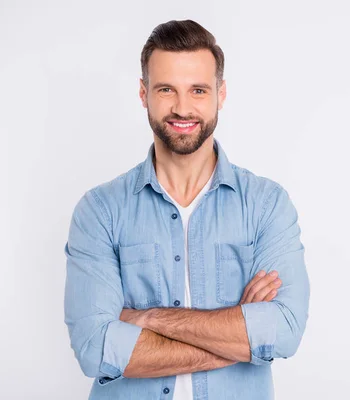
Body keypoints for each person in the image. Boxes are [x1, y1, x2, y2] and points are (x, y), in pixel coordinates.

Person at [63, 19, 310, 400]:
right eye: (166, 89)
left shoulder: (266, 204)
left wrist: (146, 319)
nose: (182, 107)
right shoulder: (100, 211)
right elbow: (96, 349)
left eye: (198, 90)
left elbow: (283, 331)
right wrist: (237, 334)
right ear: (143, 93)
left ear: (220, 94)